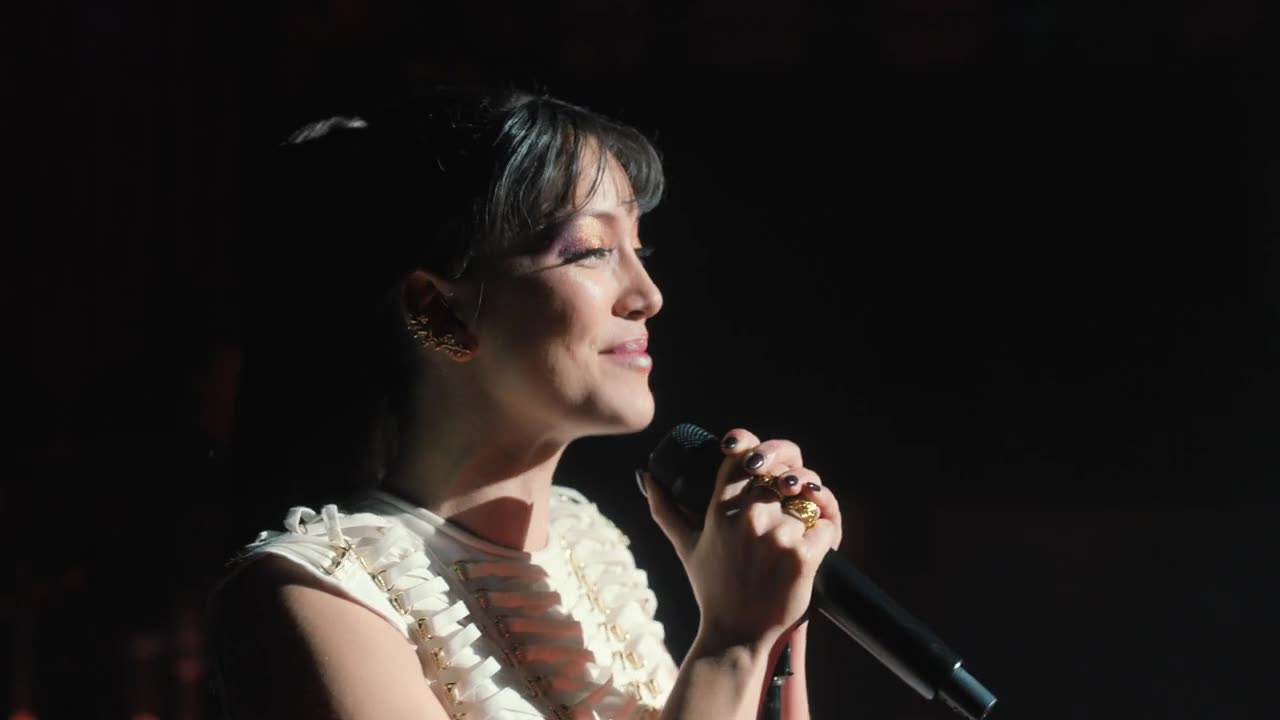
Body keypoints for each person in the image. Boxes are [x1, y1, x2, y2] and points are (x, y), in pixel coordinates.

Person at [210, 86, 844, 720]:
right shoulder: (315, 594)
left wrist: (778, 614)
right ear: (440, 310)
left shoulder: (590, 544)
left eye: (639, 249)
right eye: (592, 250)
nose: (647, 295)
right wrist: (732, 642)